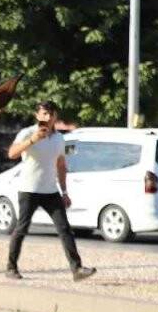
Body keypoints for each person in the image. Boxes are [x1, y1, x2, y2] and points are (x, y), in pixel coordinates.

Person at [5, 101, 96, 281]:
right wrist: (33, 140)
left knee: (65, 229)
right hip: (29, 189)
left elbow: (61, 165)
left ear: (55, 116)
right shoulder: (27, 133)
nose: (47, 117)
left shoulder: (59, 139)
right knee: (22, 228)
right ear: (37, 116)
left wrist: (64, 192)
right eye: (43, 114)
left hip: (50, 191)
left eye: (50, 114)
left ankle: (77, 269)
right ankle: (11, 267)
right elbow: (12, 154)